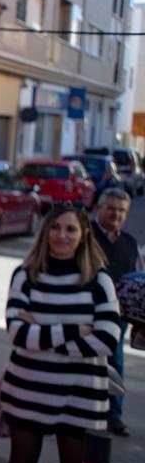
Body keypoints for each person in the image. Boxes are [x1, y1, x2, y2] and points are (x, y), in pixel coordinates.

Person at [0, 204, 122, 463]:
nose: (62, 235)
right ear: (45, 232)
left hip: (81, 397)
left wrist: (43, 334)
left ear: (84, 234)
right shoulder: (25, 275)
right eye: (55, 227)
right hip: (28, 390)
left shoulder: (99, 280)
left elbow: (107, 340)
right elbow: (17, 334)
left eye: (71, 229)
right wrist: (77, 330)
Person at [88, 187, 140, 437]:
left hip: (116, 319)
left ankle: (113, 415)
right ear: (99, 208)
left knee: (115, 364)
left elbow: (137, 280)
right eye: (111, 208)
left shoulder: (130, 243)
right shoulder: (84, 235)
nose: (116, 214)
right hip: (85, 314)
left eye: (122, 211)